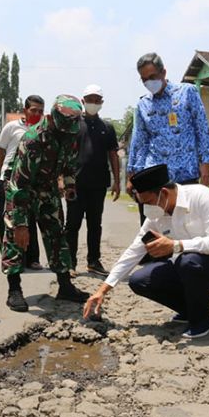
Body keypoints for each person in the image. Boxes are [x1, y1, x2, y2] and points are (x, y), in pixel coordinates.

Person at [84, 164, 209, 338]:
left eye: (149, 202)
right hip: (188, 268)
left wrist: (176, 245)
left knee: (187, 260)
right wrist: (103, 290)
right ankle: (190, 310)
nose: (147, 209)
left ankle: (204, 321)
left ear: (164, 193)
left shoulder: (202, 197)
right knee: (140, 280)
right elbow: (134, 251)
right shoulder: (157, 214)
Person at [1, 95, 90, 312]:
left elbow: (68, 165)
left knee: (57, 235)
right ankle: (14, 290)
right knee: (16, 238)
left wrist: (69, 186)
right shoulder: (34, 139)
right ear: (53, 118)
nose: (67, 133)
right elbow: (20, 183)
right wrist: (21, 224)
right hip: (22, 189)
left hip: (48, 189)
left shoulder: (69, 134)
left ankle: (65, 286)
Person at [128, 52, 209, 225]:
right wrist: (132, 175)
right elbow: (140, 143)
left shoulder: (187, 92)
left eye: (152, 77)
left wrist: (205, 165)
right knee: (155, 230)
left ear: (163, 72)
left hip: (186, 175)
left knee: (188, 227)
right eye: (144, 80)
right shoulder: (143, 104)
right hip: (154, 179)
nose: (148, 82)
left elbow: (202, 130)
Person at [65, 84, 120, 278]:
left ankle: (93, 261)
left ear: (102, 103)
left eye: (97, 100)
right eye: (90, 99)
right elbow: (64, 153)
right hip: (76, 184)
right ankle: (70, 263)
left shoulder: (107, 127)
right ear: (83, 101)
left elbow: (113, 155)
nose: (93, 103)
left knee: (95, 225)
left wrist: (117, 181)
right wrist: (61, 180)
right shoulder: (72, 125)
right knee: (72, 224)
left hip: (98, 184)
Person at [0, 95, 44, 270]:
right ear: (25, 110)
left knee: (30, 218)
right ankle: (10, 259)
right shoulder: (11, 127)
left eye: (40, 111)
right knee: (7, 220)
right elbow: (0, 152)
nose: (37, 114)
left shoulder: (43, 130)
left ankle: (32, 258)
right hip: (9, 178)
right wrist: (4, 173)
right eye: (33, 110)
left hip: (31, 180)